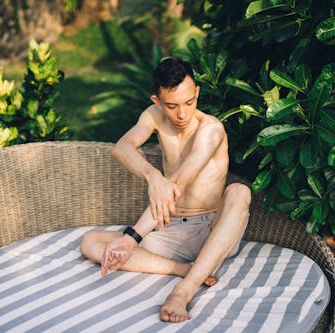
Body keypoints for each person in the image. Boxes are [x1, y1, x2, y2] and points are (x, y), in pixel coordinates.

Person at [79, 57, 251, 323]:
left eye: (189, 102)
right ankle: (184, 270)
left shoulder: (211, 130)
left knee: (240, 192)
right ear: (157, 101)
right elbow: (121, 148)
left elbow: (178, 185)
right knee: (90, 242)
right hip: (170, 226)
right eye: (172, 106)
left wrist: (132, 237)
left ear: (197, 93)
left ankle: (182, 292)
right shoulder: (153, 116)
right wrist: (153, 175)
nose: (182, 115)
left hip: (212, 229)